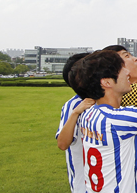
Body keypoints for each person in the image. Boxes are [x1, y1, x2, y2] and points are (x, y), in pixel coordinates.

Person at [70, 50, 137, 193]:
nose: (127, 72)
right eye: (121, 69)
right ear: (107, 82)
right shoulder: (118, 119)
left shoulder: (88, 114)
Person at [56, 52, 95, 193]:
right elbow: (62, 143)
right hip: (83, 184)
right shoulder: (74, 105)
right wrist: (75, 114)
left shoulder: (108, 97)